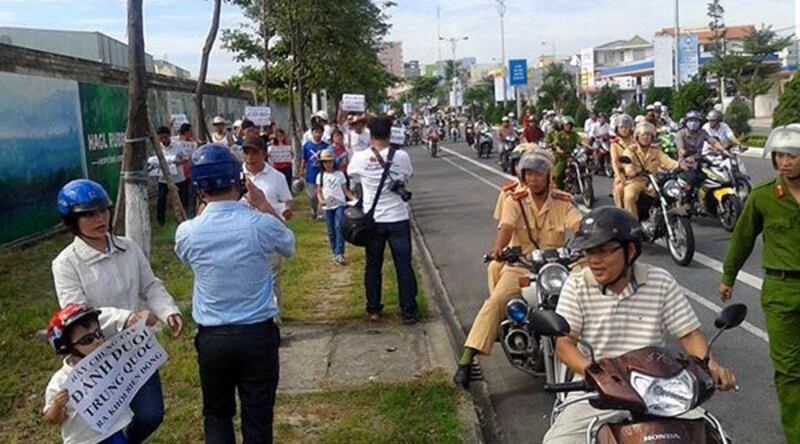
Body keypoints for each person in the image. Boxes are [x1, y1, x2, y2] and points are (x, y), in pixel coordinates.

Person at [543, 207, 736, 444]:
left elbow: (689, 335)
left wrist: (711, 365)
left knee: (717, 439)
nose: (593, 260)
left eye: (603, 251)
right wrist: (596, 374)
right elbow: (565, 345)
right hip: (595, 394)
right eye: (589, 251)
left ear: (630, 250)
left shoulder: (660, 281)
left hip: (659, 393)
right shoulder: (576, 285)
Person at [175, 144, 295, 444]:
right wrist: (265, 205)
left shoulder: (187, 232)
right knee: (257, 415)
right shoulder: (260, 224)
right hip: (257, 335)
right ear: (239, 181)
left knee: (216, 414)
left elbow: (185, 257)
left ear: (198, 187)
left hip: (213, 338)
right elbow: (289, 245)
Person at [52, 179, 183, 443]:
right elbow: (77, 314)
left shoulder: (128, 247)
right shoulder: (66, 263)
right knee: (108, 424)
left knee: (150, 415)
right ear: (72, 220)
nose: (100, 218)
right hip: (96, 356)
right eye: (88, 214)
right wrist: (125, 318)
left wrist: (168, 311)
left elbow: (150, 284)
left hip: (136, 349)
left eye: (103, 210)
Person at [453, 150, 582, 388]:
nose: (533, 179)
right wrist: (499, 249)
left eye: (539, 174)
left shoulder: (563, 201)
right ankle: (466, 360)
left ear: (549, 176)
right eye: (529, 173)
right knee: (496, 302)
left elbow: (578, 224)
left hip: (556, 268)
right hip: (522, 266)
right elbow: (506, 226)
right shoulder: (515, 200)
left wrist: (589, 241)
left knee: (589, 292)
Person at [719, 124, 800, 443]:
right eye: (780, 155)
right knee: (789, 371)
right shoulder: (763, 197)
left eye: (792, 155)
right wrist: (728, 276)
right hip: (781, 291)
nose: (785, 162)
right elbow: (742, 239)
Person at [347, 115, 417, 323]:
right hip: (398, 218)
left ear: (370, 134)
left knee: (373, 265)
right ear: (390, 132)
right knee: (403, 265)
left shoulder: (360, 158)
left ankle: (374, 309)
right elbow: (407, 175)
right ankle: (408, 310)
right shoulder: (402, 156)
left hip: (373, 219)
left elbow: (352, 175)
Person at [44, 303, 134, 444]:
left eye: (98, 333)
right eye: (88, 339)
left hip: (114, 431)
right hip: (84, 440)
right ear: (68, 347)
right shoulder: (61, 381)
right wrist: (57, 405)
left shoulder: (109, 362)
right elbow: (51, 419)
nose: (97, 341)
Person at [618, 122, 677, 219]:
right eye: (643, 135)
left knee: (669, 194)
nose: (646, 137)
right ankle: (633, 224)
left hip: (653, 181)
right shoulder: (630, 151)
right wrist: (634, 171)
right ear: (637, 137)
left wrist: (680, 165)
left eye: (649, 135)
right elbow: (628, 169)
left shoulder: (656, 151)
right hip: (636, 181)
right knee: (629, 196)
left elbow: (668, 162)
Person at [317, 149, 355, 265]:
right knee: (331, 230)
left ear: (334, 162)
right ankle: (334, 251)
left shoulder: (340, 174)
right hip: (328, 205)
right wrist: (321, 200)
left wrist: (353, 199)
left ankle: (340, 253)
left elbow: (345, 190)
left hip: (340, 204)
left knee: (339, 227)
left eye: (330, 161)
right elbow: (319, 191)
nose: (328, 164)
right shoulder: (321, 176)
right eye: (325, 162)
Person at [676, 111, 728, 192]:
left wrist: (723, 150)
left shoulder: (702, 132)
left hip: (699, 160)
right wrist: (685, 154)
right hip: (685, 162)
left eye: (696, 120)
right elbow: (680, 149)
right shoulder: (681, 133)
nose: (693, 123)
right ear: (686, 122)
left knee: (713, 176)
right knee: (692, 179)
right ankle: (686, 201)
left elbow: (713, 141)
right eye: (691, 120)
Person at [155, 126, 188, 226]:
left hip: (178, 178)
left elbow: (186, 158)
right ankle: (160, 221)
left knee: (182, 199)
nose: (163, 140)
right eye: (161, 138)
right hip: (163, 179)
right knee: (161, 199)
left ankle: (183, 218)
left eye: (165, 137)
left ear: (169, 136)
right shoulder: (157, 147)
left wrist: (179, 162)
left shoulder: (177, 145)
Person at [300, 125, 329, 219]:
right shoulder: (307, 145)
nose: (318, 134)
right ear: (312, 133)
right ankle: (314, 210)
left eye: (320, 132)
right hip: (311, 173)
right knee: (312, 195)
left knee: (322, 193)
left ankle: (321, 212)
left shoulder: (325, 146)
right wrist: (301, 169)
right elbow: (304, 159)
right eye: (316, 132)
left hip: (322, 173)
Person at [609, 114, 636, 208]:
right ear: (617, 129)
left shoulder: (635, 141)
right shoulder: (615, 144)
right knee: (619, 190)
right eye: (621, 127)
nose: (624, 129)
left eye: (626, 127)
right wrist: (619, 176)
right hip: (622, 174)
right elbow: (614, 161)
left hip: (636, 172)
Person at [550, 116, 580, 190]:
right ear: (563, 126)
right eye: (567, 125)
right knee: (557, 174)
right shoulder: (559, 135)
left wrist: (588, 146)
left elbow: (581, 141)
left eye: (570, 125)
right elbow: (556, 143)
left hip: (573, 156)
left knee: (584, 165)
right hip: (562, 157)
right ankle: (558, 188)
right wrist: (559, 149)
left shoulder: (574, 134)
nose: (568, 126)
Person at [176, 123, 198, 217]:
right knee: (182, 194)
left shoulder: (193, 143)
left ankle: (191, 213)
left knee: (191, 193)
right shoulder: (177, 143)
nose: (192, 133)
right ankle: (182, 212)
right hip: (180, 173)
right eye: (190, 131)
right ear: (185, 132)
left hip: (191, 171)